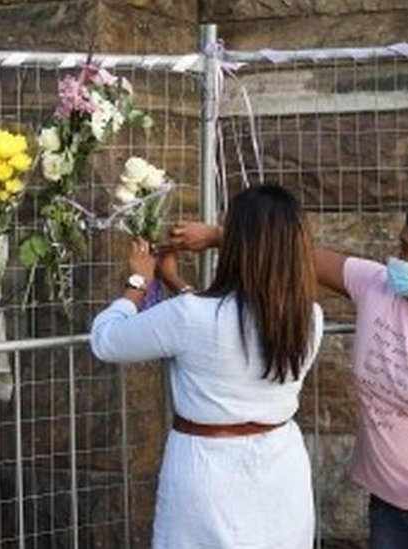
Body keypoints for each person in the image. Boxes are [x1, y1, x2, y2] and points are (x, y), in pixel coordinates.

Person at [167, 205, 408, 548]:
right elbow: (295, 255)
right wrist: (220, 236)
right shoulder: (376, 286)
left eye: (406, 249)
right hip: (389, 505)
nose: (394, 258)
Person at [90, 185, 325, 548]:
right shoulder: (309, 317)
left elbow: (106, 340)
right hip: (281, 471)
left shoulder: (191, 317)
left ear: (235, 246)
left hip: (207, 476)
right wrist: (177, 283)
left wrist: (138, 281)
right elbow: (222, 329)